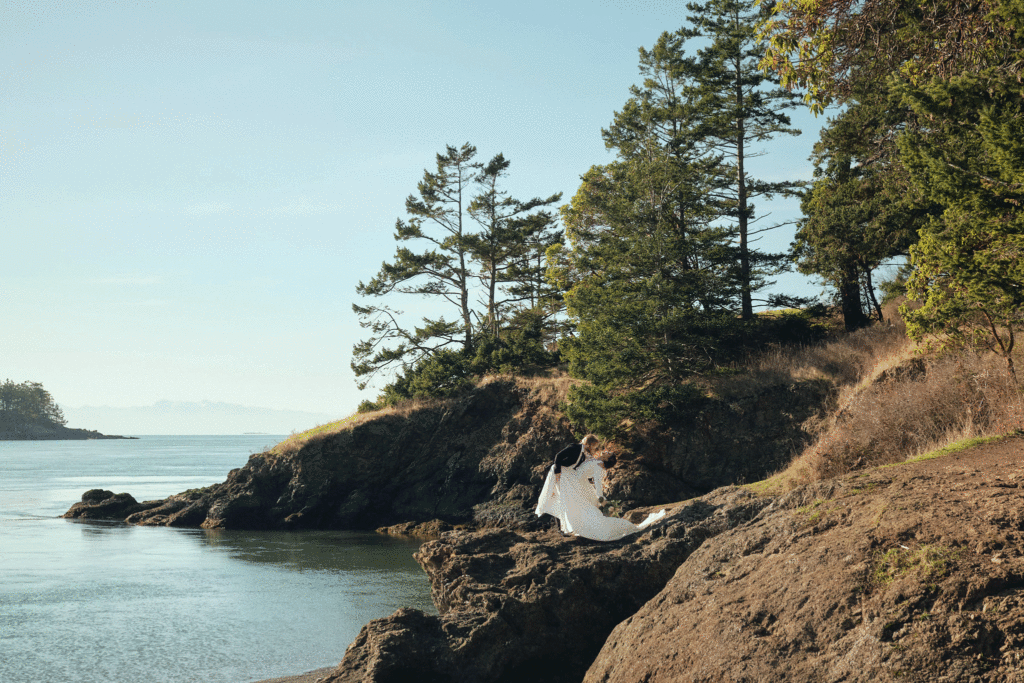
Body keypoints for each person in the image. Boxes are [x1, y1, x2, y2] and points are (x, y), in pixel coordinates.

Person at [535, 435, 666, 541]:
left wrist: (600, 497)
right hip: (569, 478)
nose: (604, 450)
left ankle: (568, 528)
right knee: (565, 502)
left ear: (608, 458)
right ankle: (564, 528)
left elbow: (597, 482)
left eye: (608, 452)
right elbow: (579, 462)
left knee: (569, 504)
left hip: (572, 480)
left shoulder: (598, 465)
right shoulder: (592, 459)